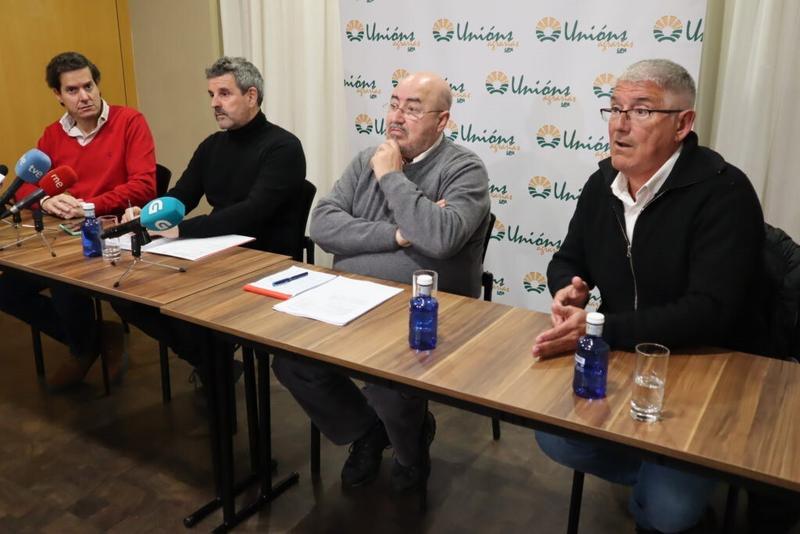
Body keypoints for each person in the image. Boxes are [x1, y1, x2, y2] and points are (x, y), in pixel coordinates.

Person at [531, 59, 764, 533]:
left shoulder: (725, 191)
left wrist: (603, 328)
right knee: (552, 436)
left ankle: (669, 493)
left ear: (683, 123)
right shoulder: (602, 184)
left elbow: (710, 312)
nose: (620, 124)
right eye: (615, 109)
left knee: (669, 513)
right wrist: (568, 287)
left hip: (703, 366)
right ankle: (660, 477)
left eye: (640, 111)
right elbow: (568, 258)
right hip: (621, 360)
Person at [272, 72, 491, 493]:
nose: (396, 117)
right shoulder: (366, 160)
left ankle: (410, 453)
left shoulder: (464, 169)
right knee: (292, 361)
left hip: (425, 309)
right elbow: (323, 225)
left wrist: (392, 178)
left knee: (389, 381)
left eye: (412, 109)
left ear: (442, 121)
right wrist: (400, 234)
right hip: (351, 298)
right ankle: (368, 432)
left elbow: (441, 239)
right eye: (393, 104)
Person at [112, 56, 306, 380]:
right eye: (211, 95)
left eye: (224, 94)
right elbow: (182, 195)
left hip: (262, 256)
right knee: (129, 296)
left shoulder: (283, 147)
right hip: (215, 250)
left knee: (193, 308)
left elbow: (251, 213)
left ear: (252, 96)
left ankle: (214, 367)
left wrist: (179, 230)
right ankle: (214, 365)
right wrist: (148, 214)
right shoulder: (212, 145)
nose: (215, 103)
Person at [0, 51, 157, 389]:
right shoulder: (53, 134)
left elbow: (145, 185)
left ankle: (82, 349)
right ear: (58, 95)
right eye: (72, 90)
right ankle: (95, 337)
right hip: (63, 234)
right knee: (6, 290)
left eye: (89, 86)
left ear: (97, 85)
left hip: (110, 229)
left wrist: (88, 206)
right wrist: (47, 198)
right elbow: (27, 184)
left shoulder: (129, 121)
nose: (84, 96)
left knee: (63, 280)